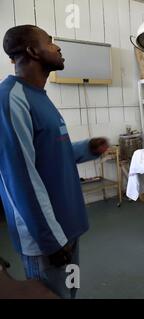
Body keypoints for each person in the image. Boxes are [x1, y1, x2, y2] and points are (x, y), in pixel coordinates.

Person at [0, 25, 109, 299]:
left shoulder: (39, 97)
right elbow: (20, 177)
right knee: (51, 294)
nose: (58, 48)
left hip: (66, 225)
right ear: (32, 50)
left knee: (69, 291)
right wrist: (50, 240)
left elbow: (50, 154)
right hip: (47, 236)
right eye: (50, 43)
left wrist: (87, 149)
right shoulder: (11, 99)